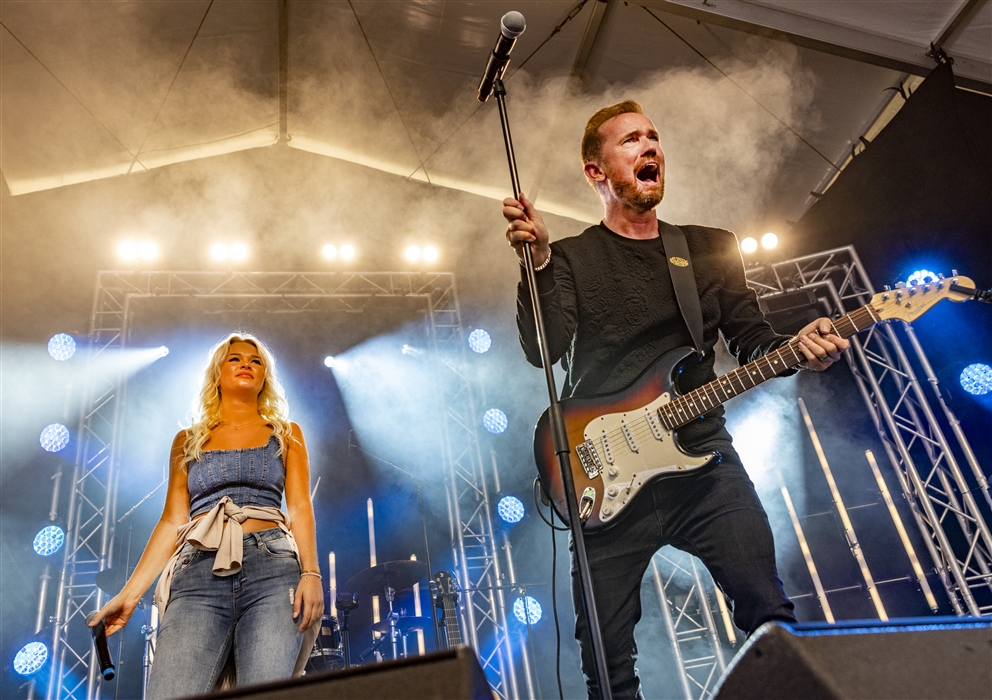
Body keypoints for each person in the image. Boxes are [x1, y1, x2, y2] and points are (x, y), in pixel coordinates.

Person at [502, 101, 849, 699]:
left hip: (703, 463)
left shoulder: (709, 248)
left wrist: (795, 346)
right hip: (604, 470)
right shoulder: (574, 258)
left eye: (655, 138)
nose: (650, 148)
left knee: (770, 616)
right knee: (608, 669)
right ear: (596, 172)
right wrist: (537, 265)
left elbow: (749, 337)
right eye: (631, 139)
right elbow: (543, 349)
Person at [90, 333, 323, 698]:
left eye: (256, 360)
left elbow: (299, 507)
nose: (246, 363)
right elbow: (172, 521)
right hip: (197, 572)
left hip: (273, 569)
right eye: (235, 359)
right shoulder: (187, 440)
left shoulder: (287, 434)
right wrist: (130, 595)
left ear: (264, 378)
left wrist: (311, 573)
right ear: (217, 374)